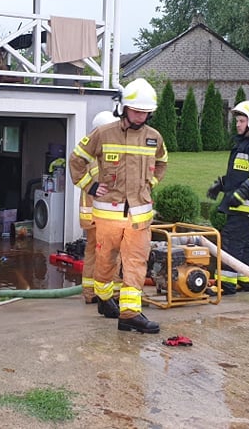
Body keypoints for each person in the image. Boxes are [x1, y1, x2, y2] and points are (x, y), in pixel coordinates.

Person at [69, 78, 168, 334]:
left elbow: (162, 162)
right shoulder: (104, 133)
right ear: (124, 108)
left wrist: (150, 184)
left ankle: (130, 314)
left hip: (139, 216)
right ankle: (104, 298)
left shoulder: (154, 137)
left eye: (145, 112)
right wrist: (90, 186)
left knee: (136, 262)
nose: (140, 116)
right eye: (136, 111)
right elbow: (77, 159)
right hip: (108, 216)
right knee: (105, 261)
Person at [206, 100, 249, 294]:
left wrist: (242, 193)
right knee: (244, 243)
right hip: (241, 205)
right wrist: (221, 185)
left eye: (242, 121)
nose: (237, 124)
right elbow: (238, 174)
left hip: (246, 205)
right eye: (237, 121)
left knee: (231, 242)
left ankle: (225, 284)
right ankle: (248, 280)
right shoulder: (244, 145)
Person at [76, 109, 119, 305]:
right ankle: (112, 294)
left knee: (92, 252)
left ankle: (89, 292)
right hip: (103, 214)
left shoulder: (89, 152)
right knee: (111, 254)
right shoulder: (103, 154)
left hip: (89, 215)